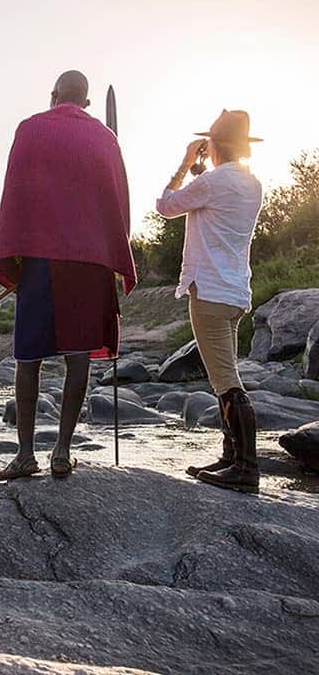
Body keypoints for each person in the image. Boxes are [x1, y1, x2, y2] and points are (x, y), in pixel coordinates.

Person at [0, 70, 136, 480]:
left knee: (28, 358)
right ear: (86, 103)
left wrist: (13, 256)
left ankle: (23, 455)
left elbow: (16, 192)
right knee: (78, 356)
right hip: (88, 263)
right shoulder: (105, 139)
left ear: (53, 96)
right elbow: (118, 201)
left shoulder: (30, 129)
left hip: (39, 259)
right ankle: (62, 451)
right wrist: (112, 248)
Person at [156, 110, 263, 493]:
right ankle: (230, 457)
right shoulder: (252, 184)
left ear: (215, 145)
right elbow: (213, 202)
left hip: (210, 292)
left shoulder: (213, 182)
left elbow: (165, 206)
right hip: (235, 292)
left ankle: (246, 468)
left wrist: (186, 163)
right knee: (225, 372)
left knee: (225, 380)